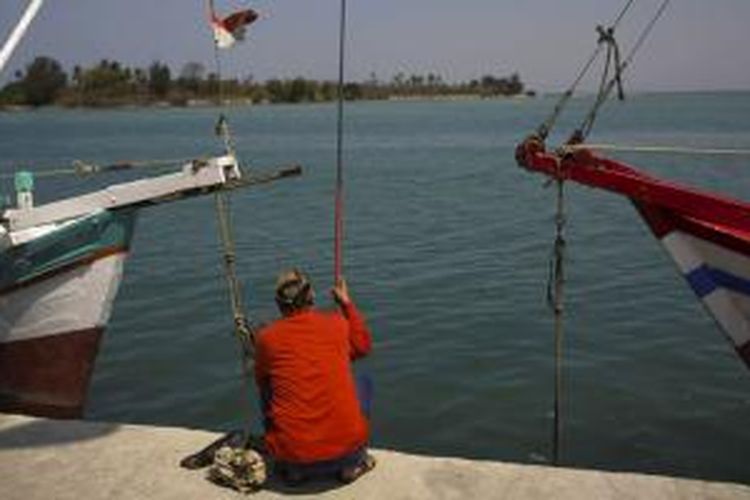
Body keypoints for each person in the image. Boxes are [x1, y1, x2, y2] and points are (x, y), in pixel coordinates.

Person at [254, 268, 376, 485]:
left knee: (267, 385)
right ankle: (353, 465)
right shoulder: (337, 324)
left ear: (278, 303)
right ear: (311, 297)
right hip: (346, 451)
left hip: (292, 456)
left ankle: (294, 471)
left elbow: (261, 380)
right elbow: (362, 348)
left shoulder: (266, 338)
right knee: (364, 382)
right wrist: (346, 303)